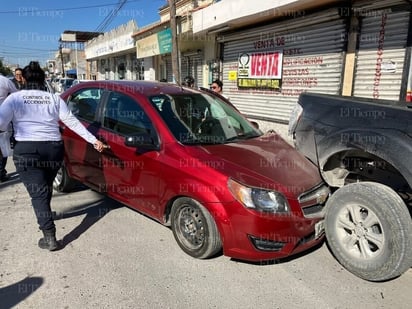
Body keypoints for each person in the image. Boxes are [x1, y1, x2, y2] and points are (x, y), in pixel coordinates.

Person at [0, 61, 105, 251]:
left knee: (38, 193)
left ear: (23, 79)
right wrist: (93, 140)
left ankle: (49, 236)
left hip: (27, 150)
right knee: (44, 187)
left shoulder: (14, 99)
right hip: (53, 150)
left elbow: (0, 123)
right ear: (43, 79)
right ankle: (46, 214)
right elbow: (71, 122)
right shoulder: (54, 98)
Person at [0, 75, 18, 181]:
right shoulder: (5, 81)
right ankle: (1, 172)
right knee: (2, 147)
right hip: (3, 118)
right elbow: (16, 96)